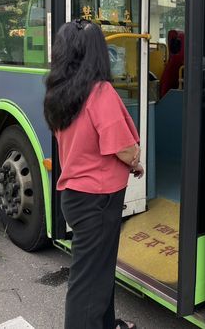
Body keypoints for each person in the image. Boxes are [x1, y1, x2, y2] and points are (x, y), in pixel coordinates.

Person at [44, 19, 142, 329]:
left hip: (77, 197)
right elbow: (123, 147)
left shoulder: (60, 93)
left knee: (98, 270)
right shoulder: (100, 92)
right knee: (89, 279)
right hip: (98, 199)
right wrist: (135, 160)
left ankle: (106, 323)